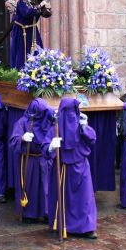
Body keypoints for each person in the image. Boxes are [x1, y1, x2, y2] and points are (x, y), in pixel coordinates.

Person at [42, 98, 98, 238]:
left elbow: (92, 139)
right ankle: (62, 223)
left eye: (73, 112)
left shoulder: (80, 124)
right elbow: (45, 148)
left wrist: (85, 127)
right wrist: (50, 146)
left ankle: (87, 227)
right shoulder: (55, 127)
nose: (71, 116)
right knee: (63, 199)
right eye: (67, 112)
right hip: (61, 168)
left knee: (84, 199)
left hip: (80, 167)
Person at [9, 98, 54, 223]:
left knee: (46, 187)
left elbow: (54, 134)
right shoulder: (23, 122)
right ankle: (28, 213)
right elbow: (13, 140)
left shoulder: (49, 121)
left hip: (44, 159)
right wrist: (22, 138)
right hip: (29, 160)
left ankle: (46, 212)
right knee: (29, 187)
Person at [9, 0, 52, 69]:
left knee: (37, 52)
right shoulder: (21, 2)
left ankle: (38, 71)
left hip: (33, 31)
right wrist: (40, 6)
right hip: (22, 32)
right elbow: (27, 13)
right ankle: (20, 72)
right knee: (21, 53)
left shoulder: (36, 5)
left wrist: (48, 9)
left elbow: (46, 15)